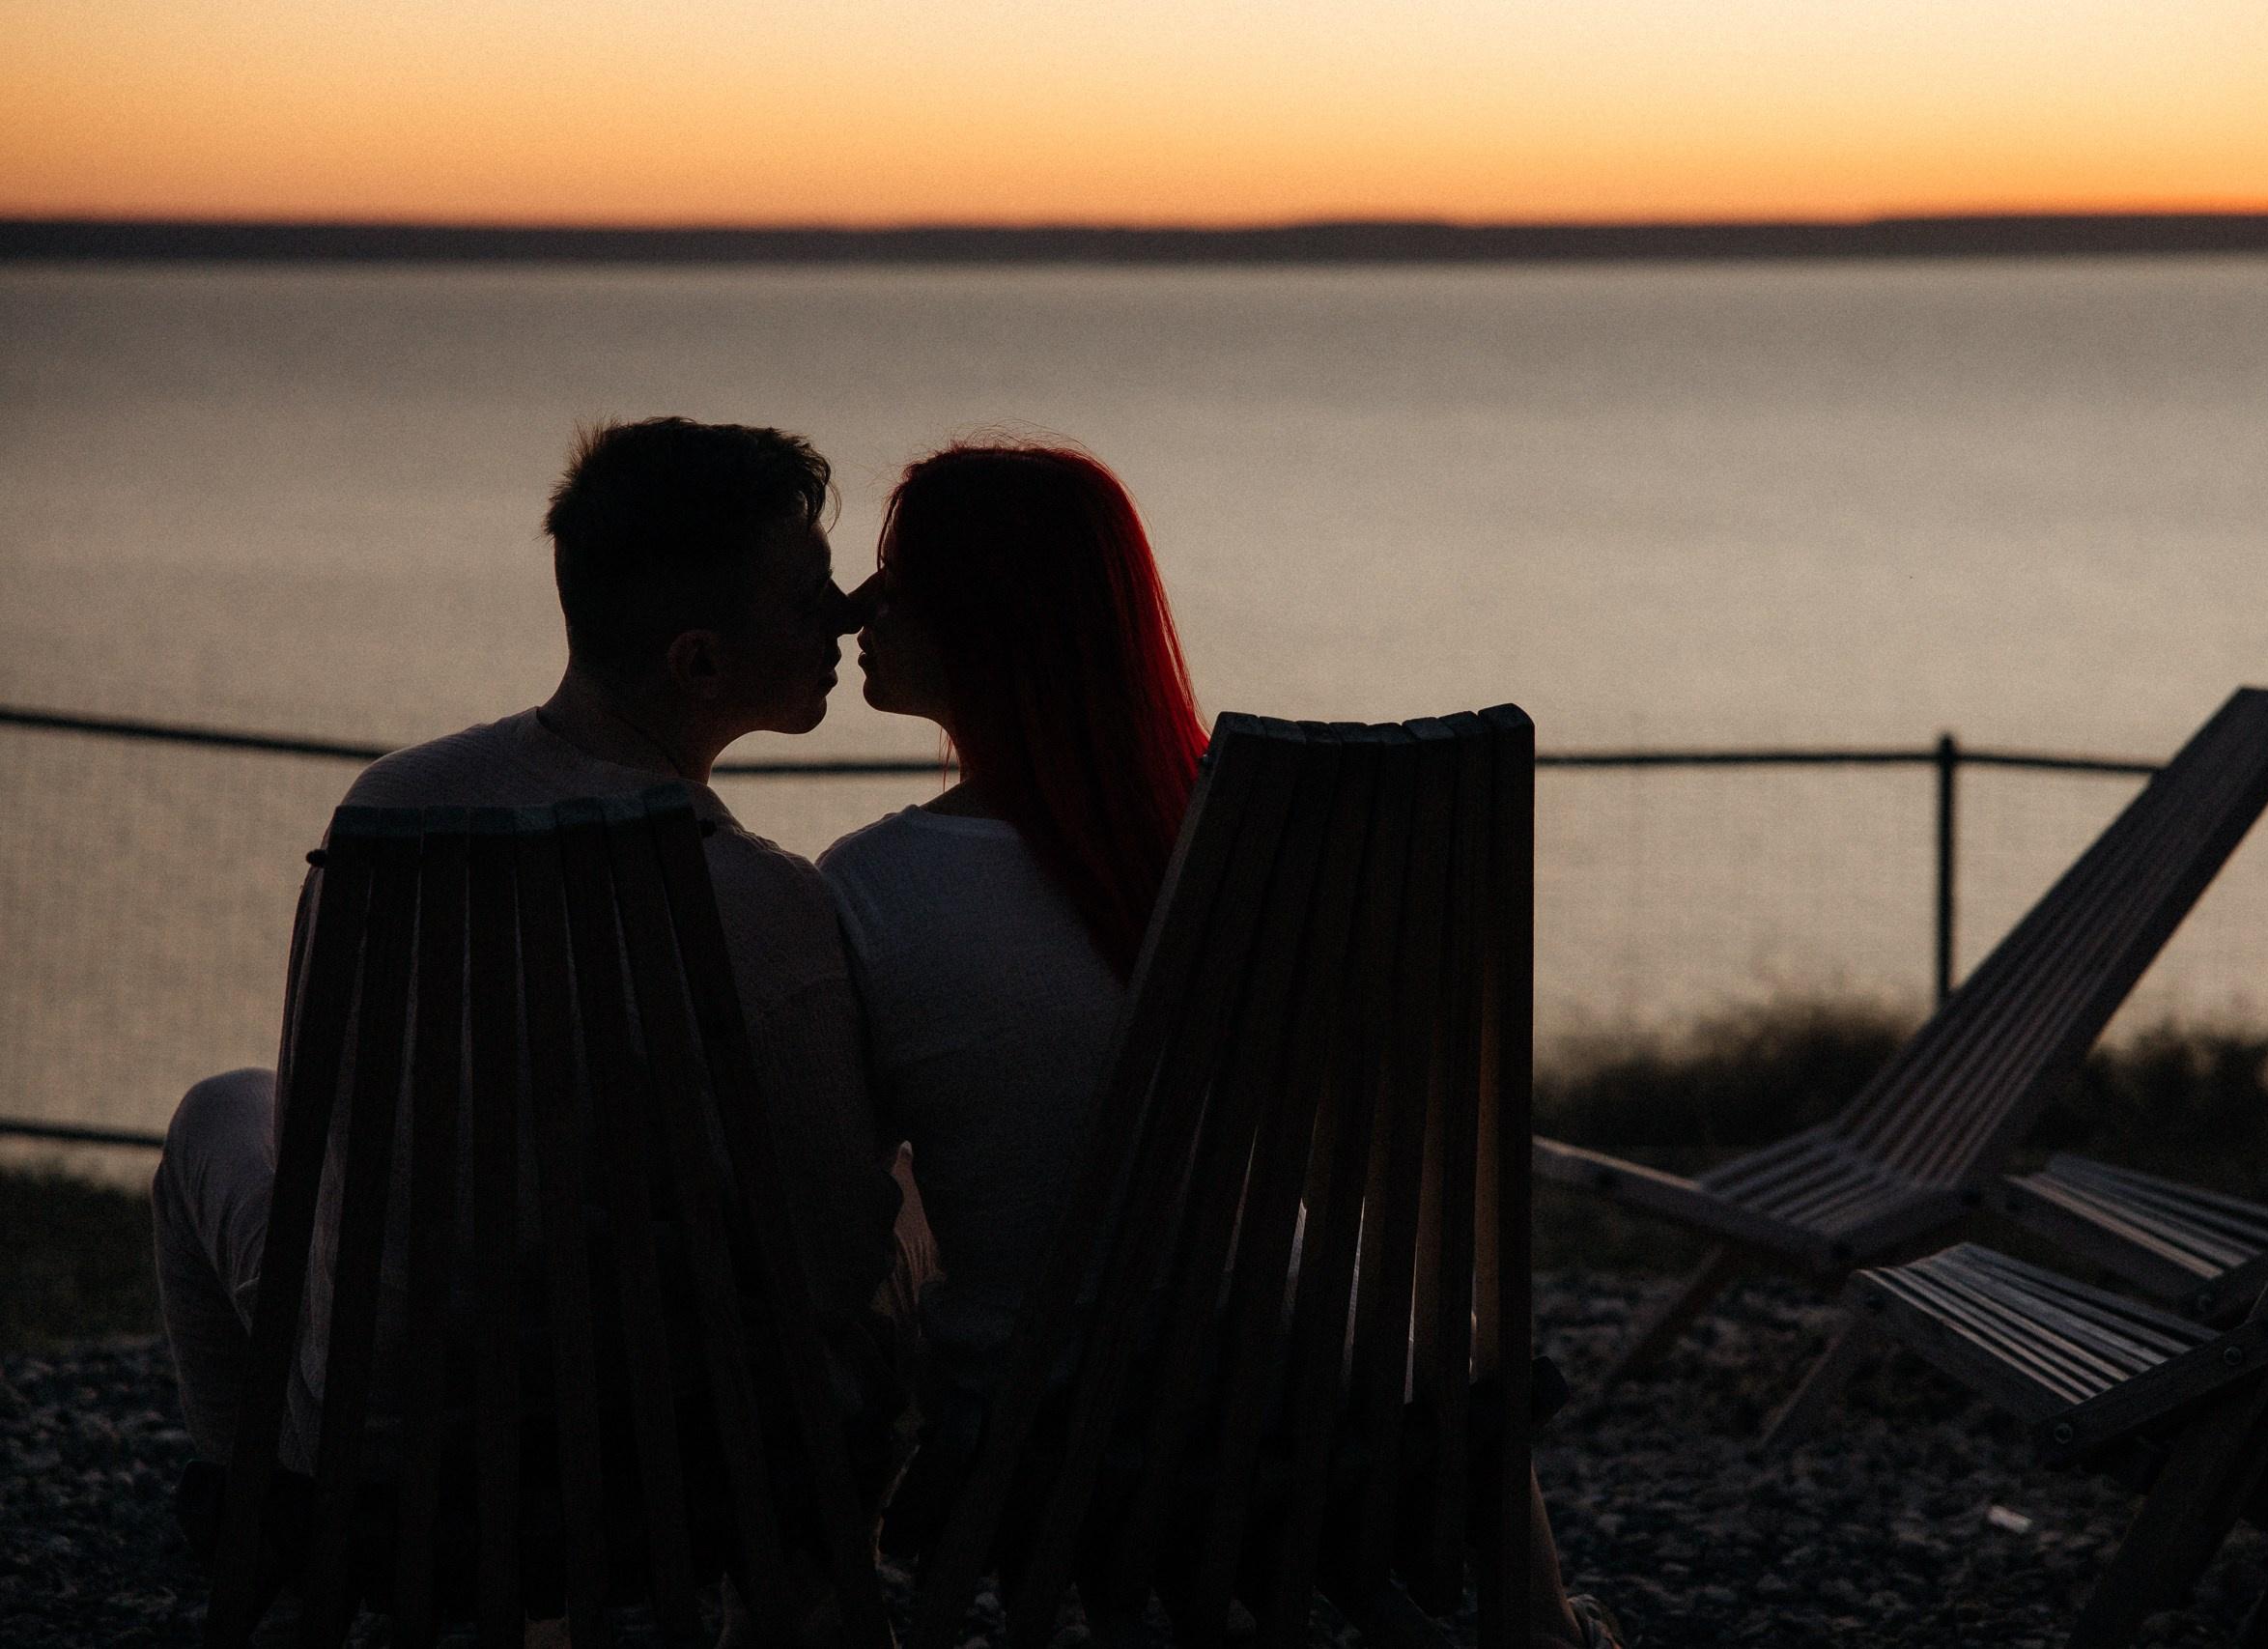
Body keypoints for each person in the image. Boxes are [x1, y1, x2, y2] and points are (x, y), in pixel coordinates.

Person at [819, 440, 1620, 1648]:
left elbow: (838, 1192)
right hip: (1350, 1389)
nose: (856, 607)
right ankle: (1545, 1630)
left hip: (1067, 1417)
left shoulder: (875, 887)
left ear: (987, 611)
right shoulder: (1260, 848)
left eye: (895, 574)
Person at [151, 416, 903, 1523]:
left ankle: (258, 1514)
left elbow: (332, 1133)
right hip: (660, 1453)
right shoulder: (759, 902)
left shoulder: (391, 810)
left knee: (222, 1110)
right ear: (697, 662)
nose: (846, 619)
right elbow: (833, 1259)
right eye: (810, 600)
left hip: (384, 1438)